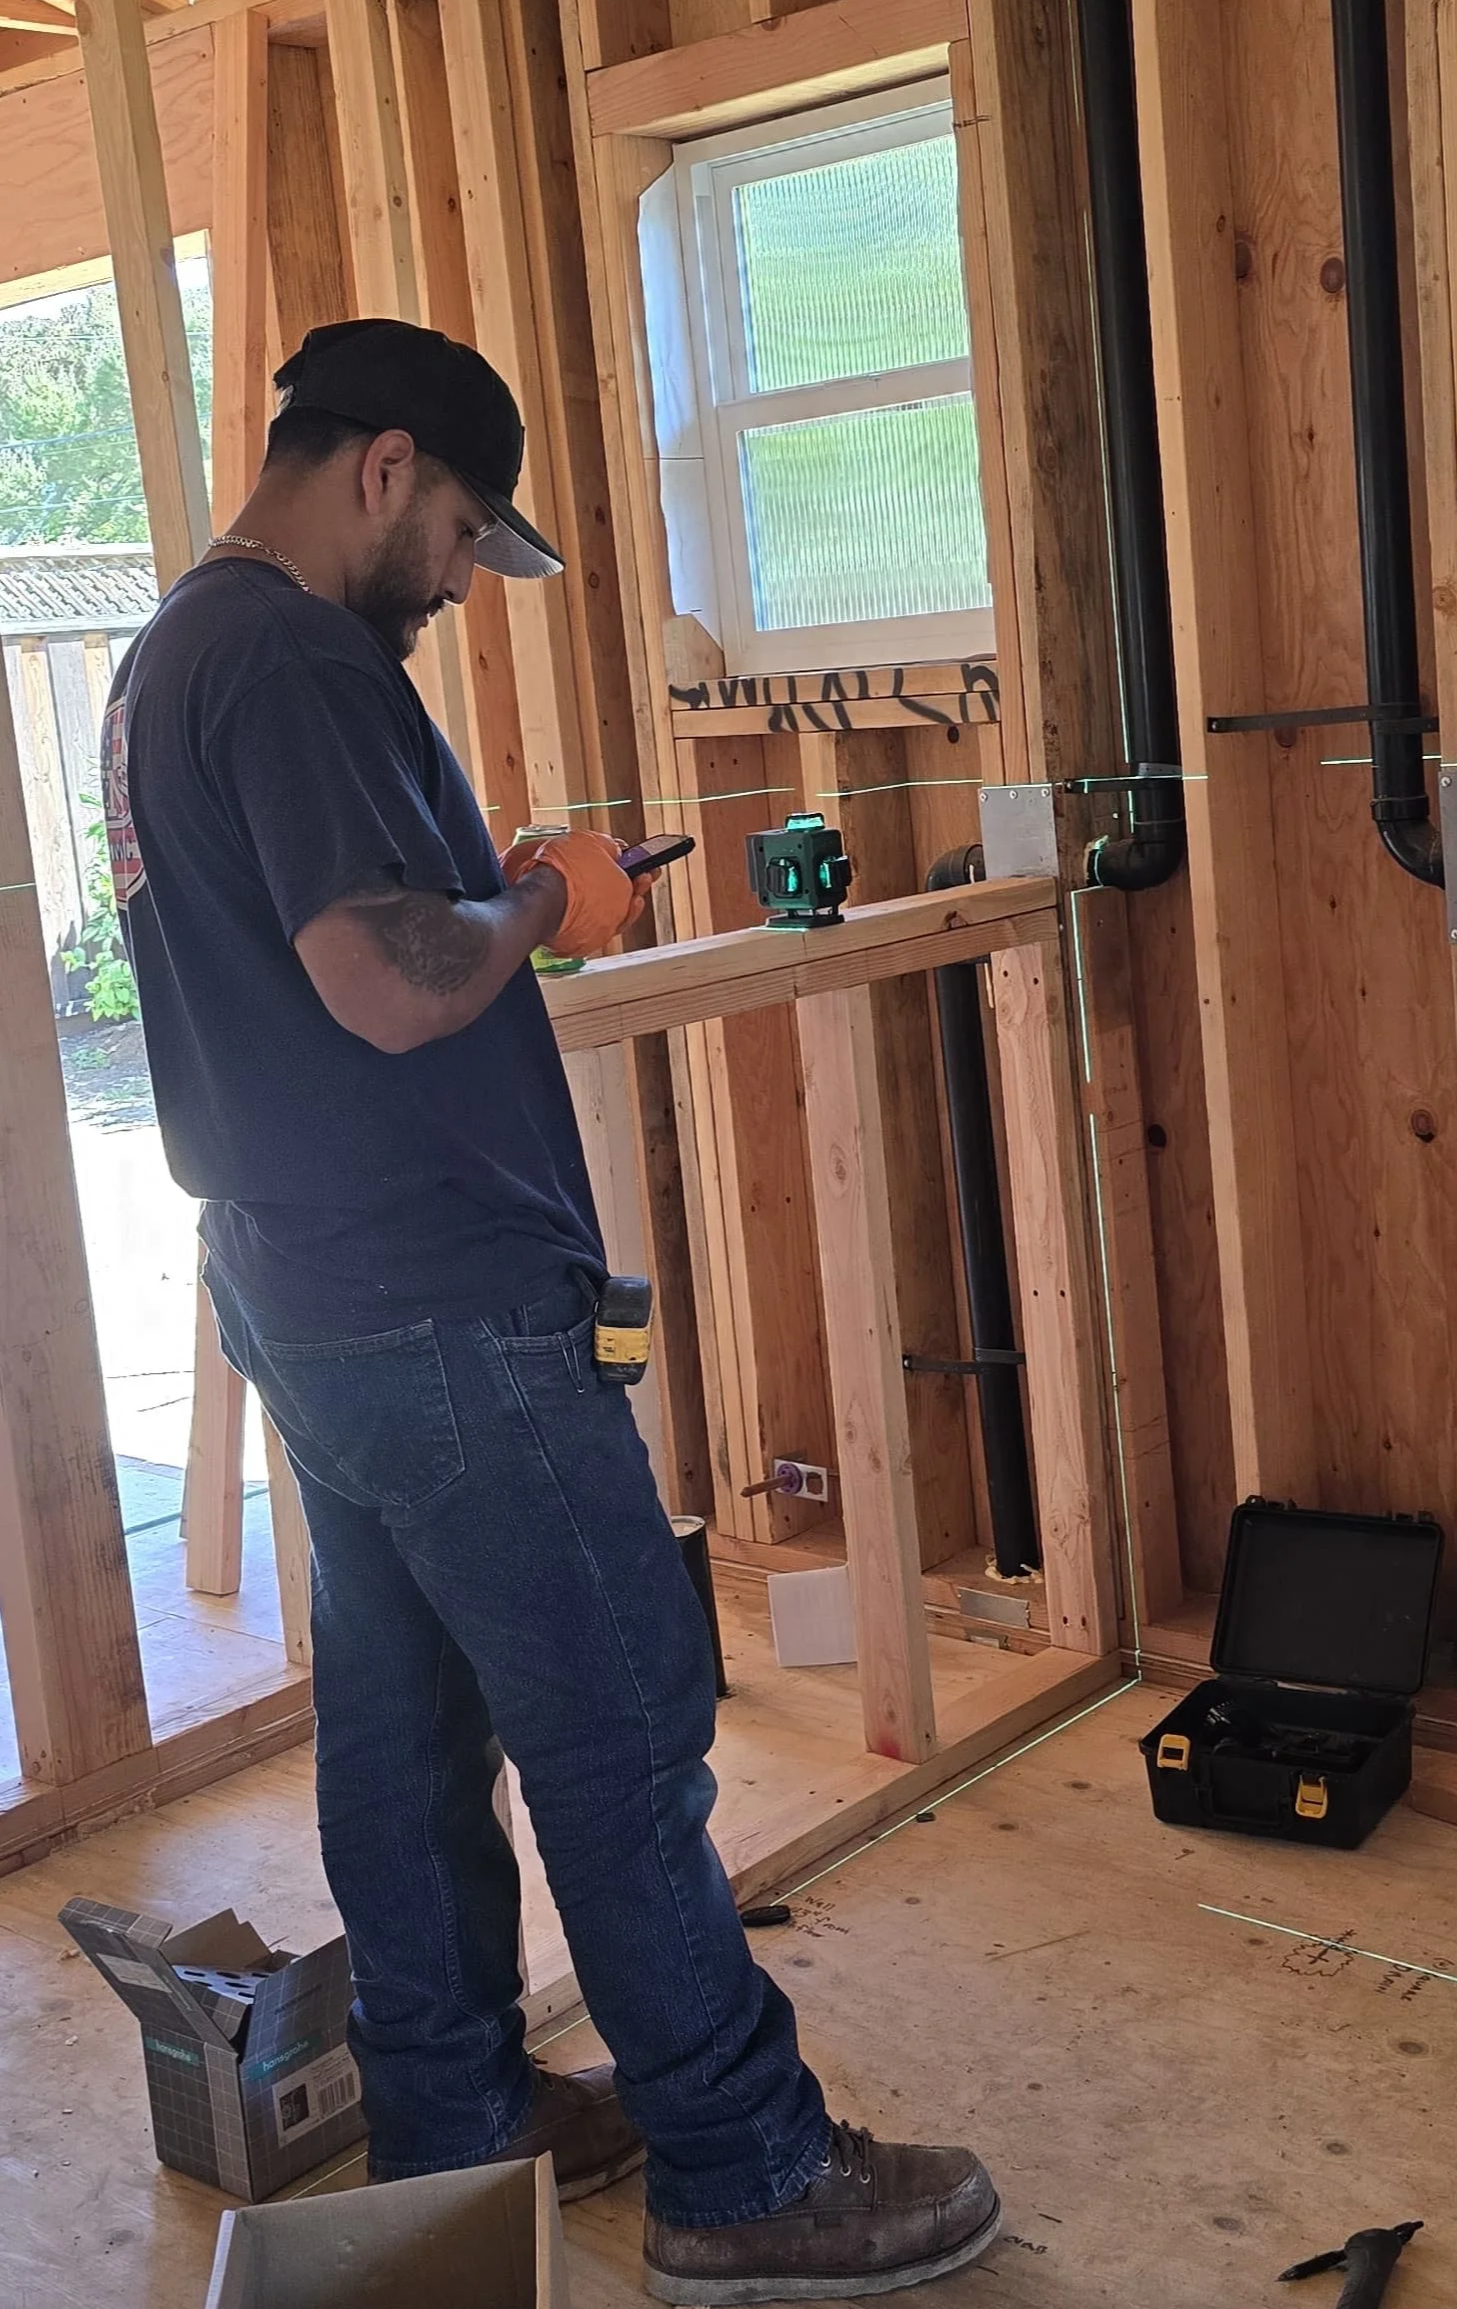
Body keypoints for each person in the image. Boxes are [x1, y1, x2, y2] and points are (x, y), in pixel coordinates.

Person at [105, 317, 999, 2304]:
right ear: (387, 466)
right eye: (457, 542)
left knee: (409, 1723)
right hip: (432, 1295)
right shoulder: (293, 654)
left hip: (310, 1282)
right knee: (617, 1718)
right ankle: (746, 2167)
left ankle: (459, 2110)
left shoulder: (181, 651)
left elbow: (324, 946)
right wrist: (546, 907)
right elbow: (380, 974)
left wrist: (494, 890)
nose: (452, 588)